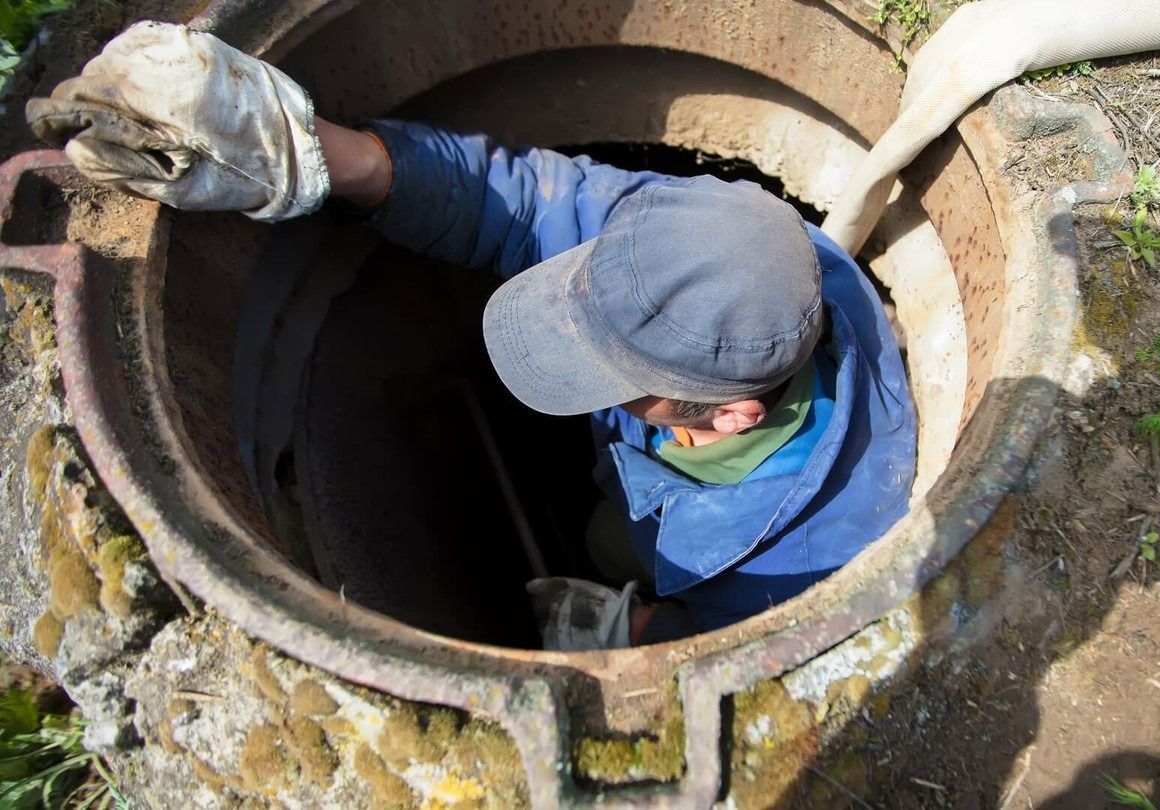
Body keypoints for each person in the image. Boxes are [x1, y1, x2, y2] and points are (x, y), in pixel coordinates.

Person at [26, 22, 917, 646]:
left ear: (729, 417)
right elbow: (529, 201)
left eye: (611, 378)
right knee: (612, 535)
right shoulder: (704, 237)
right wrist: (314, 156)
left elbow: (736, 640)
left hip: (688, 538)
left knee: (613, 549)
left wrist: (639, 633)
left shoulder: (815, 556)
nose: (584, 369)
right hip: (654, 496)